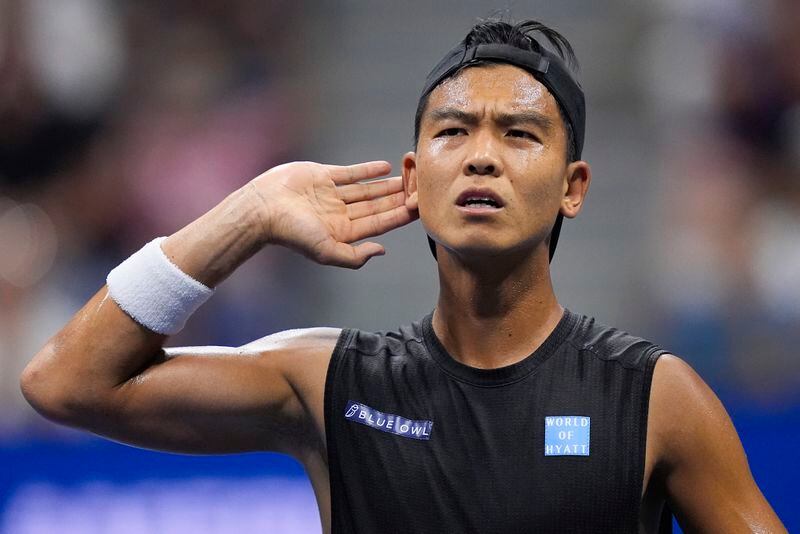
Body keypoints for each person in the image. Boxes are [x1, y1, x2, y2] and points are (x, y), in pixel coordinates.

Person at [20, 18, 786, 534]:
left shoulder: (655, 398)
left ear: (573, 187)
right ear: (415, 180)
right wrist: (246, 214)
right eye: (454, 131)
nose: (482, 154)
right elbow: (66, 383)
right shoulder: (329, 384)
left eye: (520, 134)